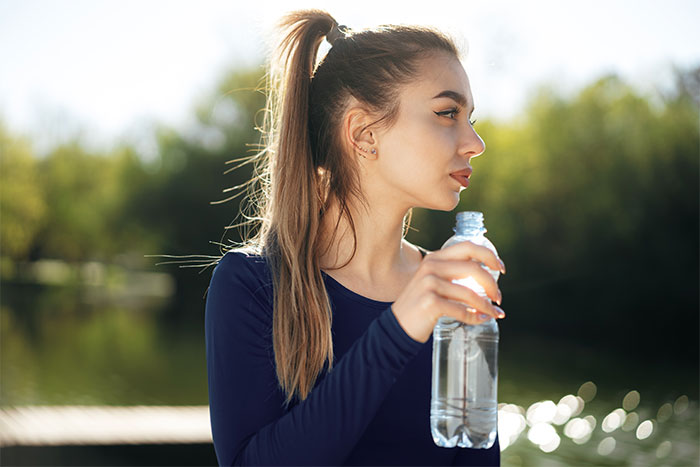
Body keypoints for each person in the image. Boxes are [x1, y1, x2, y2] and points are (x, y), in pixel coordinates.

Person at [205, 9, 507, 466]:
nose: (474, 142)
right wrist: (399, 328)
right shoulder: (252, 284)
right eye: (448, 113)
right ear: (364, 134)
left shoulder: (451, 292)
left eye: (471, 118)